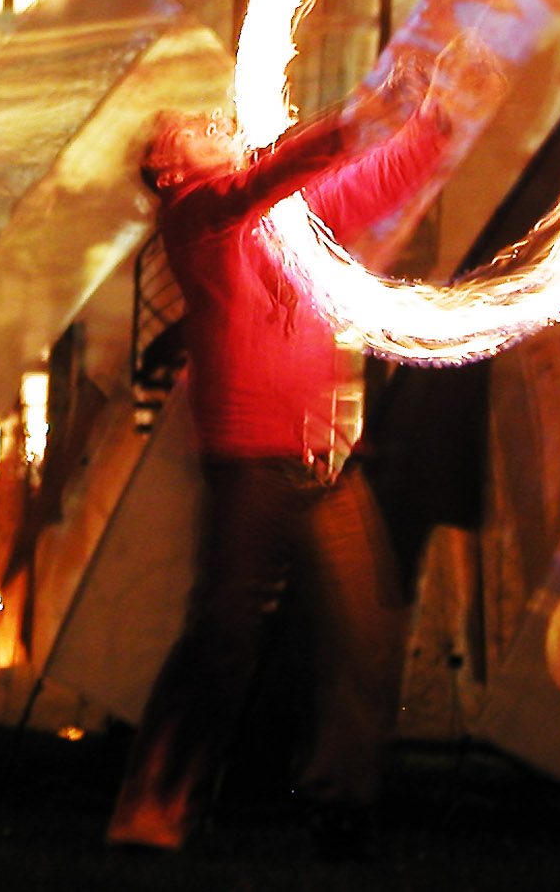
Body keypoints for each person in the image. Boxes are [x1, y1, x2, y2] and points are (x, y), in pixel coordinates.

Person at [106, 53, 489, 854]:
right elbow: (265, 177)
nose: (224, 125)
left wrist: (435, 121)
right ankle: (154, 801)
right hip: (250, 459)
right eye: (201, 129)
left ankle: (339, 801)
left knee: (369, 631)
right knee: (224, 635)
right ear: (168, 168)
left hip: (326, 462)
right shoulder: (199, 217)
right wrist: (360, 106)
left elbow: (371, 183)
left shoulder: (288, 219)